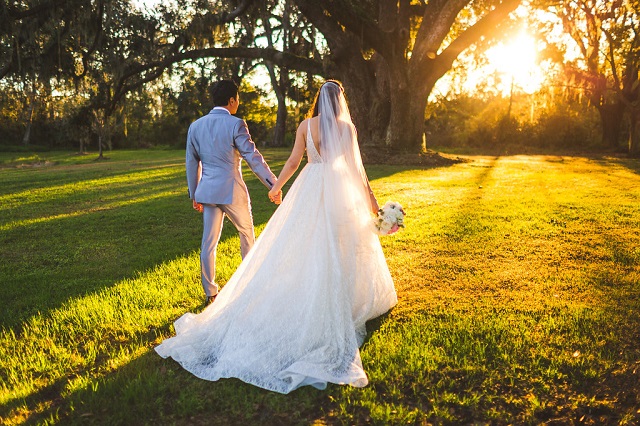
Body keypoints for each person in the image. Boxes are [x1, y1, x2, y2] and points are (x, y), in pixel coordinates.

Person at [156, 80, 397, 394]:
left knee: (304, 242)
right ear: (340, 102)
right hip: (339, 188)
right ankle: (343, 295)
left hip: (309, 186)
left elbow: (296, 161)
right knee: (341, 244)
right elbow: (357, 171)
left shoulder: (305, 126)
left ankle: (289, 287)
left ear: (318, 102)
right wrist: (374, 206)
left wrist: (276, 185)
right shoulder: (346, 130)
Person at [185, 79, 280, 306]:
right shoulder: (236, 124)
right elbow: (252, 157)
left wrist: (194, 193)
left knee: (208, 242)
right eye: (237, 99)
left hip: (207, 192)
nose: (238, 103)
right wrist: (273, 184)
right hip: (232, 190)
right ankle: (250, 286)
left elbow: (191, 162)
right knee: (247, 234)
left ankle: (211, 293)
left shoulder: (195, 126)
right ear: (231, 100)